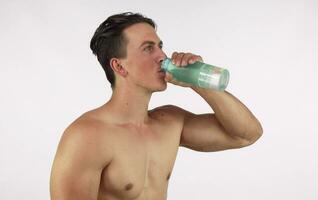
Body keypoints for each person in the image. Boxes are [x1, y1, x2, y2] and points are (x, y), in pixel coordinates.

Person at [50, 12, 263, 200]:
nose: (162, 56)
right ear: (119, 66)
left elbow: (246, 134)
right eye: (148, 48)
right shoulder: (87, 136)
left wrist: (198, 82)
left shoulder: (170, 122)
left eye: (160, 46)